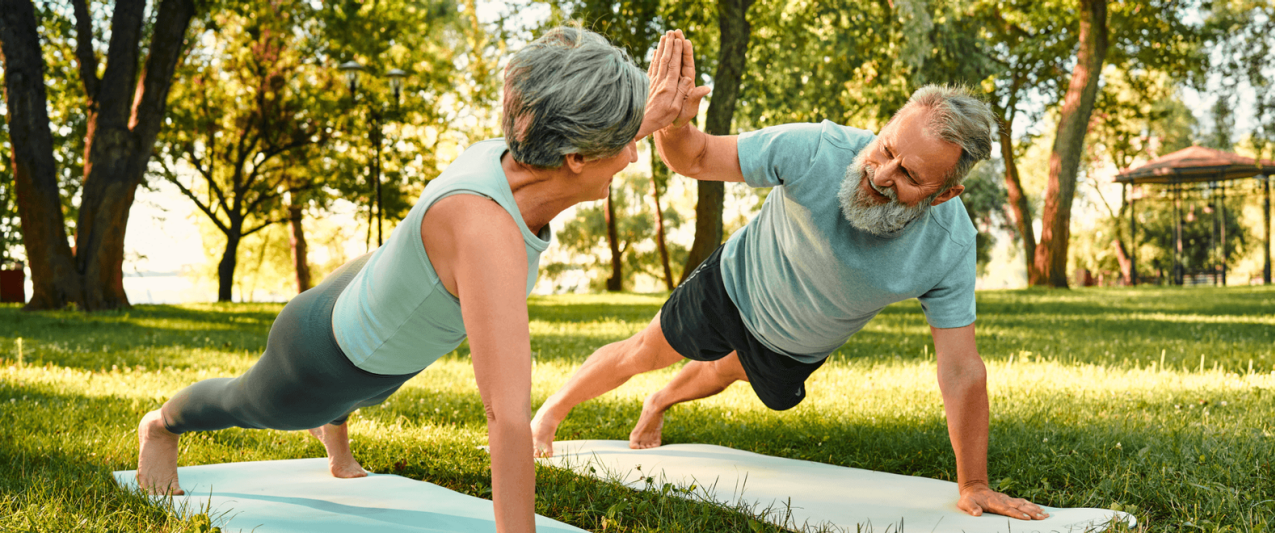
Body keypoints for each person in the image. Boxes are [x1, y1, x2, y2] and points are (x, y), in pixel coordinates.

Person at [136, 26, 703, 533]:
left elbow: (585, 135)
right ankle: (161, 425)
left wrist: (653, 114)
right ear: (576, 155)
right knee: (249, 402)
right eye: (627, 140)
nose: (634, 155)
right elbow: (507, 418)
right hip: (320, 355)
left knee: (375, 382)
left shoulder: (520, 152)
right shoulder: (487, 234)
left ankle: (337, 425)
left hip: (374, 306)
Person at [530, 35, 1050, 522]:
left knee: (725, 371)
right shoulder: (816, 149)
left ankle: (660, 401)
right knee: (642, 352)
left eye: (910, 176)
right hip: (733, 287)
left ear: (943, 195)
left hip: (794, 347)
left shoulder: (948, 246)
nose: (881, 174)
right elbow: (695, 157)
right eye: (886, 148)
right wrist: (677, 124)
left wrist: (973, 483)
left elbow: (961, 368)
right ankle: (551, 413)